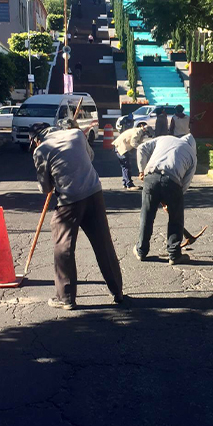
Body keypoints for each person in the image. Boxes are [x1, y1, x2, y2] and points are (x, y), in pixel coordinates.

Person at [32, 122, 129, 311]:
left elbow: (46, 188)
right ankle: (117, 291)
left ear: (36, 140)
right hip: (94, 193)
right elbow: (90, 157)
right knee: (103, 243)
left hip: (70, 200)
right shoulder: (76, 134)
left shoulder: (41, 150)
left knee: (64, 247)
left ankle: (66, 297)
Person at [133, 133, 198, 265]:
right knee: (176, 219)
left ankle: (141, 251)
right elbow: (185, 182)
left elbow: (141, 148)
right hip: (173, 183)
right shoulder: (192, 154)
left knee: (147, 215)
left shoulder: (165, 138)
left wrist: (141, 170)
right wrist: (174, 201)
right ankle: (174, 255)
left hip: (150, 177)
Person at [114, 124, 153, 190]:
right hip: (122, 147)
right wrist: (141, 149)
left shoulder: (139, 131)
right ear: (145, 131)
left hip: (119, 146)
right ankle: (129, 184)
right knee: (127, 166)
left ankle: (125, 183)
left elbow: (138, 142)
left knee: (124, 166)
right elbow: (133, 143)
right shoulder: (138, 132)